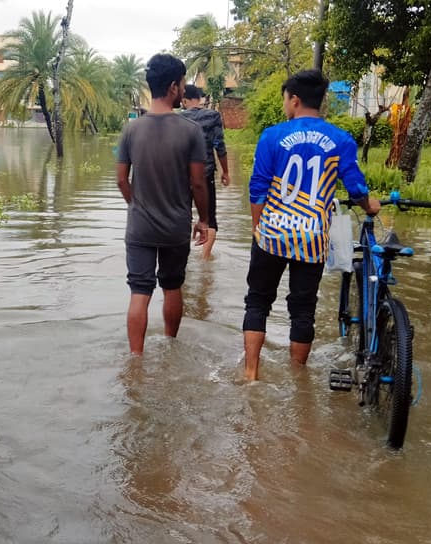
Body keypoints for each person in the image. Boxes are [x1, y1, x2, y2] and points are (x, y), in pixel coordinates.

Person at [242, 69, 379, 381]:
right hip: (313, 238)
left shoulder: (271, 136)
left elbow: (257, 189)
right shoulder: (341, 140)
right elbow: (356, 189)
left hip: (272, 234)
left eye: (285, 100)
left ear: (295, 100)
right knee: (302, 310)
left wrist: (257, 227)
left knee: (258, 301)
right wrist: (370, 205)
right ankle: (297, 380)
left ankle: (250, 374)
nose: (284, 106)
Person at [116, 53, 209, 356]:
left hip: (140, 228)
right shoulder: (191, 131)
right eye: (182, 84)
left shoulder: (131, 130)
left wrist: (136, 205)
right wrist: (203, 220)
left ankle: (136, 359)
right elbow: (197, 183)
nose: (184, 90)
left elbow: (121, 180)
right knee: (172, 286)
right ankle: (170, 346)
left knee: (139, 293)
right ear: (172, 87)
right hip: (175, 228)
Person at [180, 85, 230, 258]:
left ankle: (182, 258)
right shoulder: (213, 116)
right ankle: (205, 260)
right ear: (199, 98)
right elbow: (219, 146)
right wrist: (225, 172)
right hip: (206, 172)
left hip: (182, 177)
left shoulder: (178, 118)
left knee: (183, 217)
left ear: (184, 100)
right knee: (209, 218)